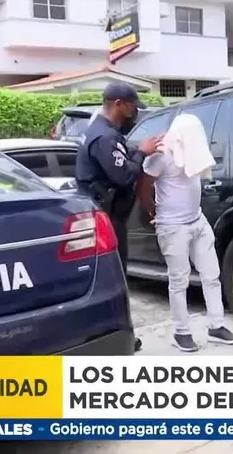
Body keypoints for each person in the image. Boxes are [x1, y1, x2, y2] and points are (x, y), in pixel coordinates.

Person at [75, 82, 162, 353]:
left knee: (108, 280)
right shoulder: (105, 137)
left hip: (106, 216)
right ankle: (116, 338)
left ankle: (106, 336)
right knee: (114, 281)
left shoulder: (103, 132)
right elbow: (123, 175)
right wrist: (142, 152)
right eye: (133, 108)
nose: (134, 114)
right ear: (119, 105)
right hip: (107, 219)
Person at [142, 113, 233, 353]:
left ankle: (216, 326)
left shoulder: (194, 149)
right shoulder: (162, 155)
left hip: (198, 221)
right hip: (172, 227)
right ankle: (181, 332)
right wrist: (151, 212)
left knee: (211, 275)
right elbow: (143, 186)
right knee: (179, 280)